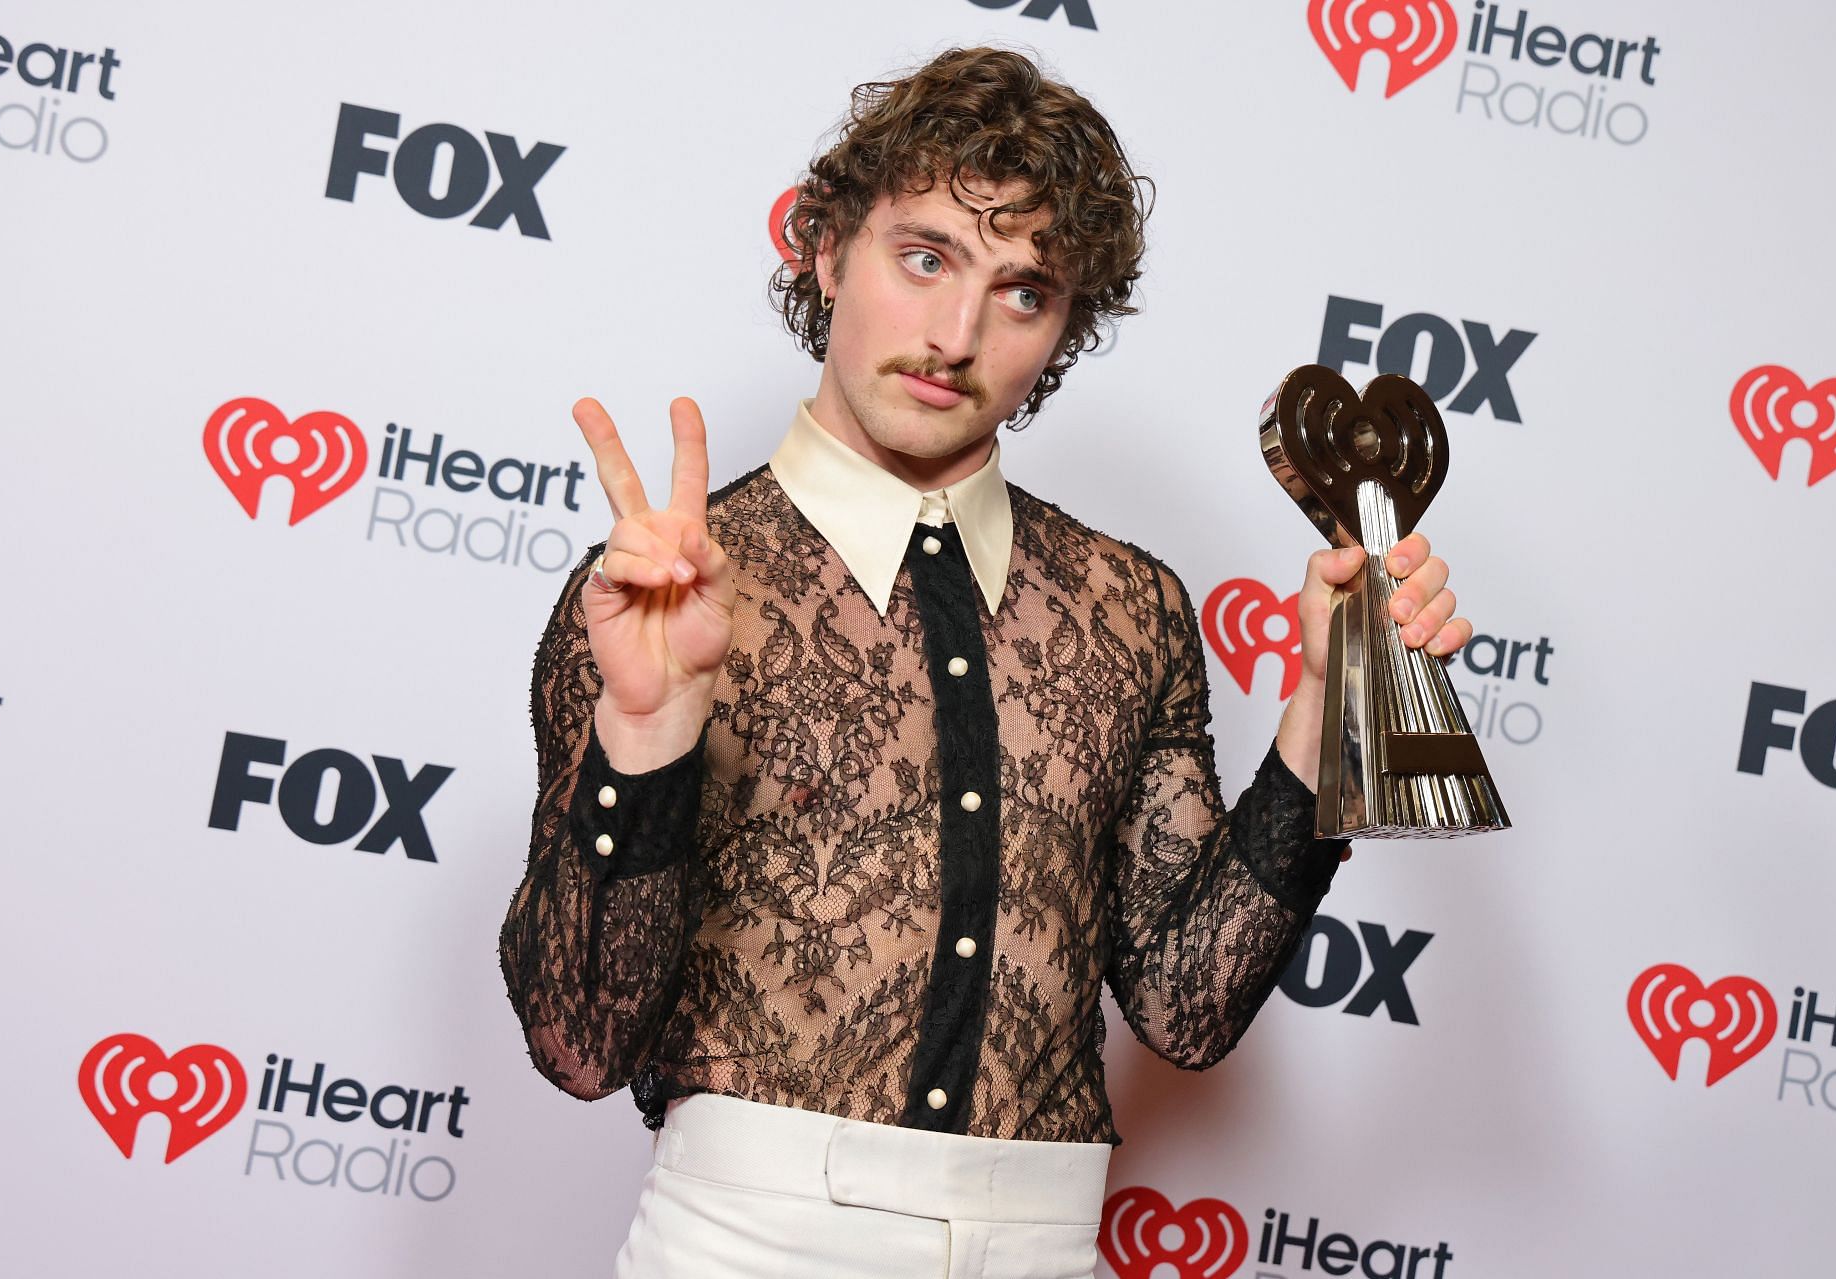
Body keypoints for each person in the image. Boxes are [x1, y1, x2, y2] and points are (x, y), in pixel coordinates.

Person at [498, 46, 1470, 1279]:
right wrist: (643, 737)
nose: (955, 335)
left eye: (1023, 291)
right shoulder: (668, 590)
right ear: (825, 249)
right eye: (925, 257)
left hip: (1044, 1240)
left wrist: (1327, 711)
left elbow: (1185, 1006)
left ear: (1065, 327)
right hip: (744, 1244)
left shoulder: (1130, 607)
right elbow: (580, 1045)